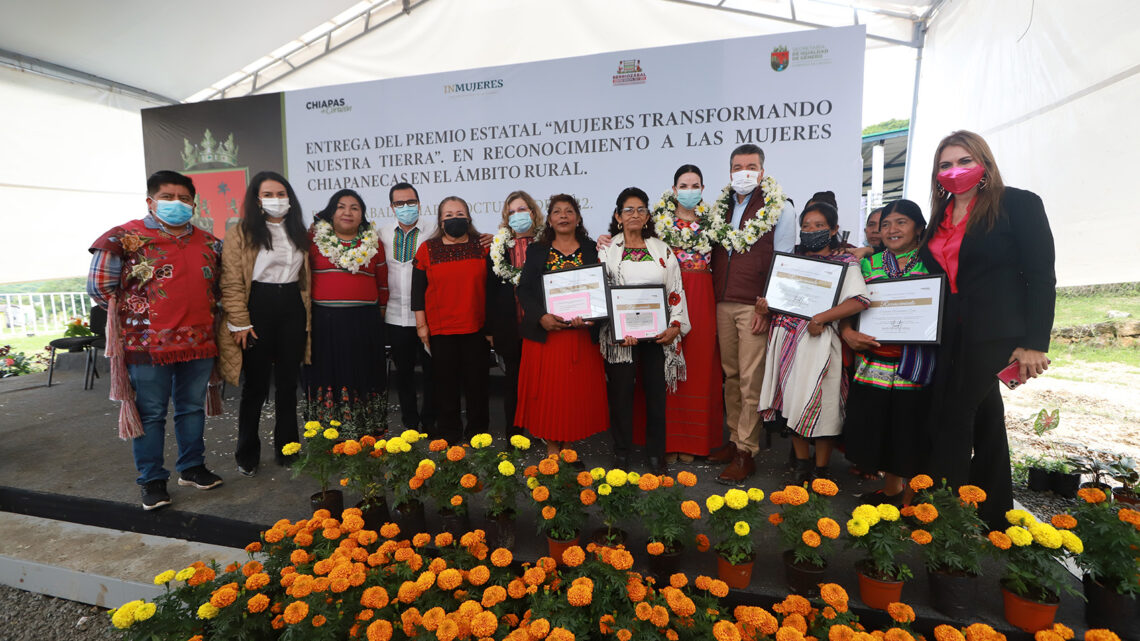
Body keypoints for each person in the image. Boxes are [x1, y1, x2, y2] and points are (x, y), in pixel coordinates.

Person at [919, 130, 1055, 528]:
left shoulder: (1018, 204)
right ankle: (995, 514)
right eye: (945, 164)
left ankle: (944, 518)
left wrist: (1034, 343)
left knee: (954, 416)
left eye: (964, 161)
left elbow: (1041, 277)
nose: (954, 171)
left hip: (996, 332)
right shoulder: (940, 216)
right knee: (986, 418)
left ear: (984, 164)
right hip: (951, 332)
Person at [87, 170, 224, 510]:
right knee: (150, 414)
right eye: (168, 197)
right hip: (146, 345)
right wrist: (138, 315)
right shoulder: (124, 237)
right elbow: (100, 288)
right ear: (150, 201)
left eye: (184, 198)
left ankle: (192, 467)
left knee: (192, 409)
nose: (176, 203)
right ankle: (152, 480)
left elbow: (220, 287)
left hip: (199, 343)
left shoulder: (210, 242)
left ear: (194, 203)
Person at [755, 201, 871, 483]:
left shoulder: (845, 262)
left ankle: (822, 469)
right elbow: (780, 298)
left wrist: (822, 317)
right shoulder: (791, 261)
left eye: (819, 226)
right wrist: (764, 307)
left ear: (833, 229)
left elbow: (859, 299)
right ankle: (801, 466)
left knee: (825, 402)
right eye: (806, 226)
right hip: (786, 339)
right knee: (793, 401)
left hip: (820, 340)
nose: (811, 231)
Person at [708, 144, 796, 482]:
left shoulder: (779, 207)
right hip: (721, 301)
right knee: (730, 375)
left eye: (751, 166)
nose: (743, 171)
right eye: (737, 166)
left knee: (750, 379)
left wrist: (768, 305)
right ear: (730, 171)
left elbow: (783, 260)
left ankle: (747, 450)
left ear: (762, 171)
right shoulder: (721, 206)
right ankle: (733, 440)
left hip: (754, 305)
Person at [840, 199, 935, 504]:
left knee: (910, 428)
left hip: (915, 363)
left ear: (919, 228)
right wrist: (847, 333)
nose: (892, 230)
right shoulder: (868, 265)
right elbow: (849, 304)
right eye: (886, 224)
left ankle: (913, 498)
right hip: (874, 361)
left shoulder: (933, 264)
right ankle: (892, 490)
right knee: (881, 428)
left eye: (901, 222)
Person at [217, 171, 310, 477]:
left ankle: (288, 449)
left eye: (280, 193)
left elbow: (306, 280)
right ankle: (247, 453)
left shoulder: (300, 231)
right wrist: (240, 322)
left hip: (291, 307)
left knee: (287, 384)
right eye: (268, 194)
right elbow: (230, 281)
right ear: (256, 199)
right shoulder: (240, 233)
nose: (275, 200)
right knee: (255, 385)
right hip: (257, 306)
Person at [600, 187, 689, 474]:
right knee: (621, 396)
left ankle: (655, 455)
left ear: (648, 215)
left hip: (657, 336)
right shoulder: (606, 251)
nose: (635, 214)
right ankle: (622, 453)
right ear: (618, 216)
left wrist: (675, 326)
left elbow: (675, 289)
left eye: (640, 209)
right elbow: (601, 295)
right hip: (621, 339)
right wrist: (617, 328)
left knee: (655, 397)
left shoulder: (661, 250)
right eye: (628, 210)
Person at [515, 194, 609, 455]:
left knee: (573, 395)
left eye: (569, 211)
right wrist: (541, 317)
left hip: (580, 335)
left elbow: (601, 290)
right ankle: (552, 443)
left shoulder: (592, 249)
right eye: (557, 212)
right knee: (549, 394)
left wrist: (591, 316)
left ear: (578, 218)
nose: (564, 216)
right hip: (548, 334)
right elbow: (524, 291)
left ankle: (568, 443)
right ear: (550, 219)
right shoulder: (537, 250)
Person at [649, 165, 723, 461]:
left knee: (700, 363)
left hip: (703, 291)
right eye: (684, 185)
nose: (689, 190)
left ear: (702, 189)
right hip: (668, 292)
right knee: (668, 358)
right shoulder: (658, 221)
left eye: (695, 185)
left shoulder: (714, 221)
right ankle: (669, 440)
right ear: (674, 189)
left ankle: (694, 441)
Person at [305, 189, 388, 439]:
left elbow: (383, 283)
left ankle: (366, 433)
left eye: (355, 207)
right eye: (341, 206)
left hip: (364, 322)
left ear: (362, 215)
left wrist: (380, 315)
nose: (348, 212)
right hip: (324, 322)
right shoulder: (313, 240)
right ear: (331, 212)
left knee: (363, 373)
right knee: (328, 374)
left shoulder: (374, 243)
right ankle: (329, 436)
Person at [411, 196, 490, 445]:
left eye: (459, 214)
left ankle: (477, 434)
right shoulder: (427, 248)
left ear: (468, 217)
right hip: (441, 329)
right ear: (440, 221)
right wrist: (421, 326)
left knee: (477, 386)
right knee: (445, 387)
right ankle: (450, 434)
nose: (454, 219)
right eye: (448, 215)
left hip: (477, 328)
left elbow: (494, 289)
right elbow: (417, 290)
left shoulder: (483, 246)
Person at [485, 190, 545, 439]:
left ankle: (545, 430)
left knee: (542, 383)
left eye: (522, 210)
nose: (517, 216)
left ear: (532, 211)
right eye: (512, 212)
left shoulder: (546, 244)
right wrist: (489, 329)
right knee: (513, 383)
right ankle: (514, 433)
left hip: (542, 324)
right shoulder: (498, 248)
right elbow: (488, 290)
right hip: (510, 326)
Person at [379, 182, 436, 434]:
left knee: (432, 373)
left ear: (419, 203)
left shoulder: (433, 231)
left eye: (410, 202)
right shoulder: (381, 233)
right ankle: (410, 421)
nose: (406, 207)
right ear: (391, 206)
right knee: (403, 374)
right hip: (394, 315)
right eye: (400, 203)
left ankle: (430, 420)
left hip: (427, 315)